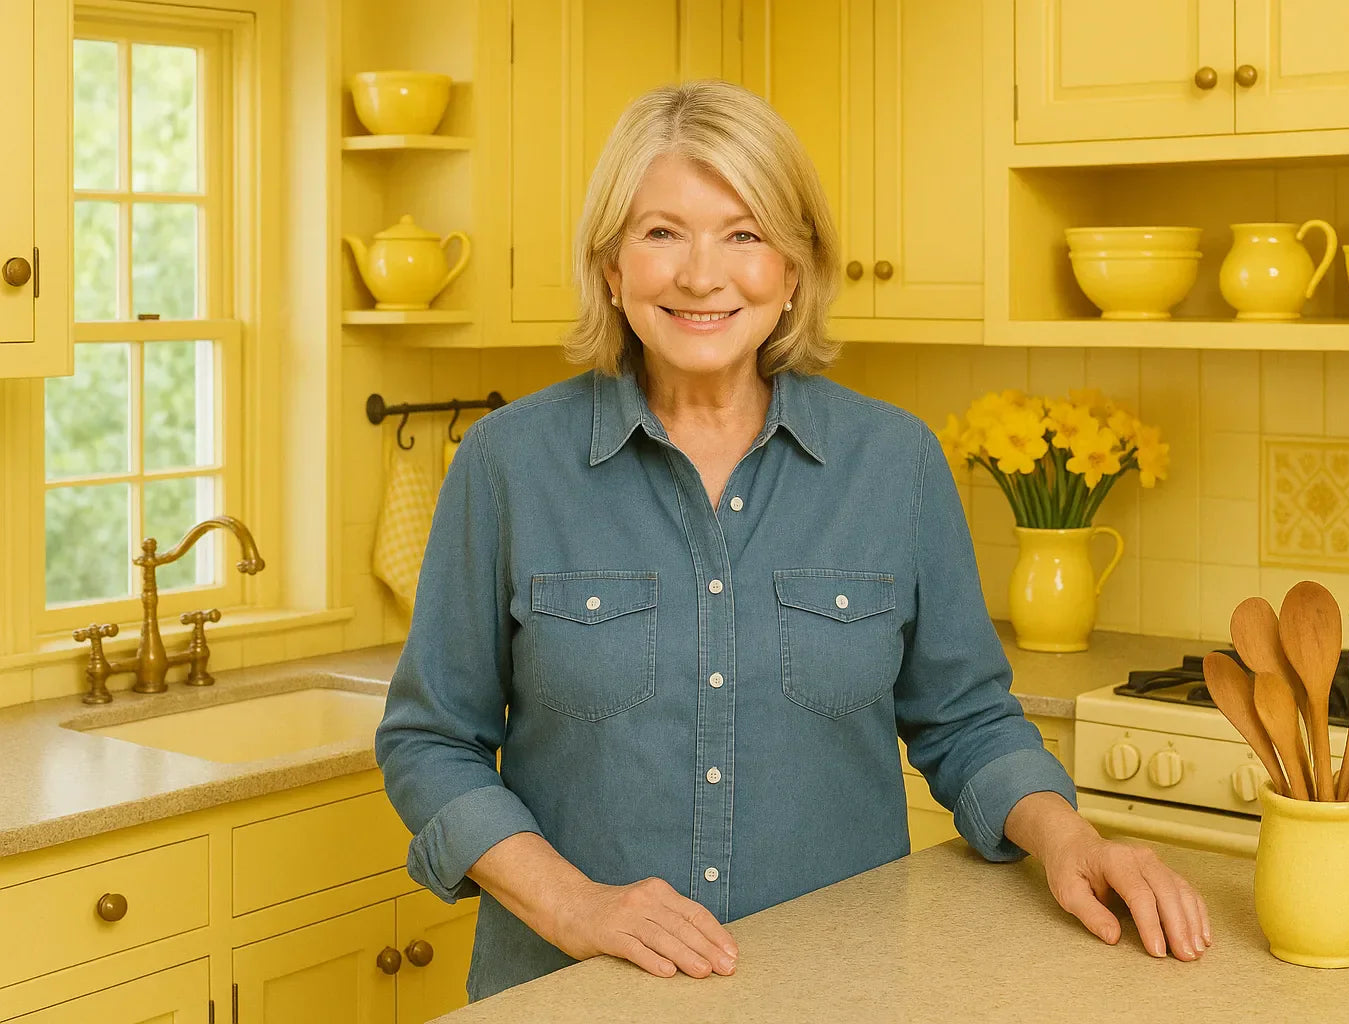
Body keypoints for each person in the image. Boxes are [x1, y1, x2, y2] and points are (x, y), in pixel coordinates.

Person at [375, 79, 1211, 1003]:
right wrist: (574, 905)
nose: (702, 274)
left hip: (836, 992)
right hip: (570, 992)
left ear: (796, 270)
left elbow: (966, 719)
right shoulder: (507, 463)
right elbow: (429, 741)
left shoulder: (894, 463)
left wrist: (1072, 839)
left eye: (745, 233)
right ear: (610, 267)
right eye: (661, 233)